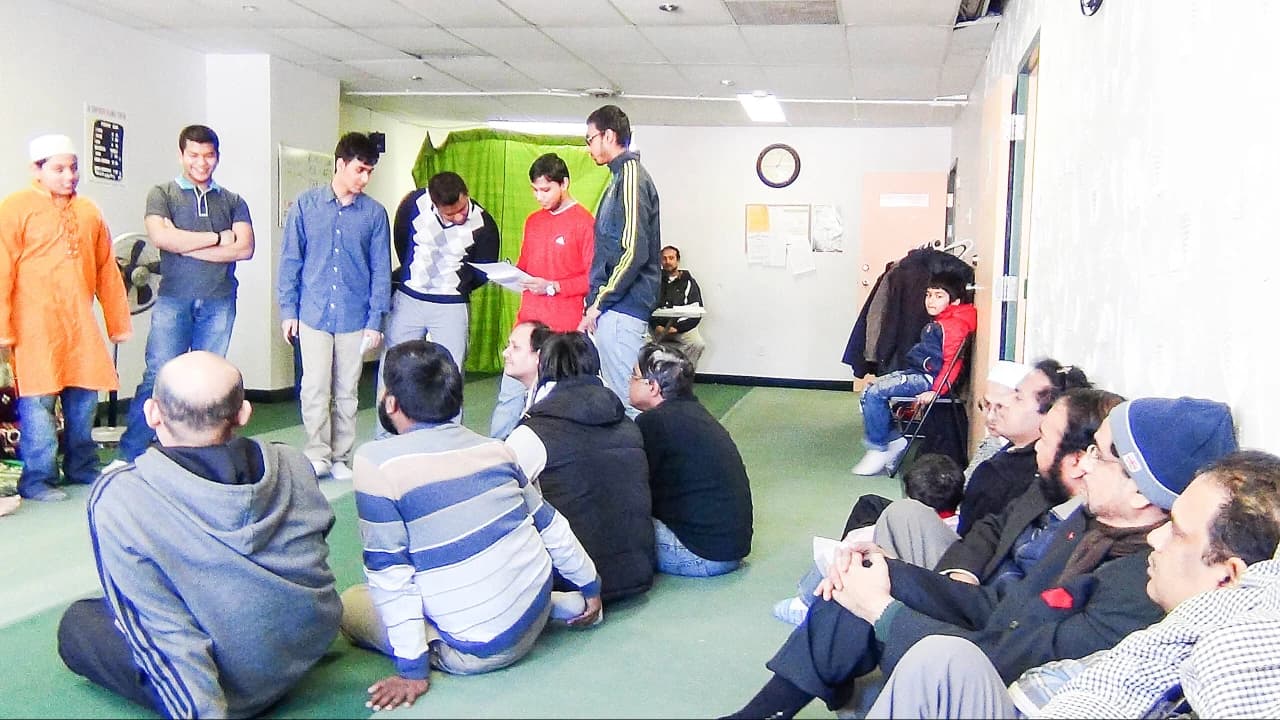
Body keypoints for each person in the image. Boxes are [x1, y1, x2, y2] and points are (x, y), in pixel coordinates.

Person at [725, 396, 1238, 720]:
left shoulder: (1143, 585)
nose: (1079, 466)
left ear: (1142, 495)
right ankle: (766, 711)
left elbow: (1012, 661)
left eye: (1098, 456)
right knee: (869, 573)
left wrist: (885, 611)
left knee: (878, 604)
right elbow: (1002, 605)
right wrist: (890, 575)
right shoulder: (1089, 524)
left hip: (997, 684)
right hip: (990, 642)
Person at [862, 449, 1280, 720]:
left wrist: (884, 612)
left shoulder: (1224, 664)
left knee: (932, 656)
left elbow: (1021, 644)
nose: (1156, 537)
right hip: (1014, 658)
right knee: (877, 553)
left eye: (1177, 531)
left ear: (1229, 576)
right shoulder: (1087, 527)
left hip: (1011, 677)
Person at [58, 351, 340, 718]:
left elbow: (167, 632)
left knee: (79, 624)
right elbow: (313, 549)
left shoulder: (120, 495)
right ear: (244, 413)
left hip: (234, 684)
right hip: (305, 644)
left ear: (152, 413)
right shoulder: (291, 461)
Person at [341, 340, 601, 712]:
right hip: (535, 611)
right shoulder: (496, 449)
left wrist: (413, 671)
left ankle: (445, 632)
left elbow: (391, 573)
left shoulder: (376, 463)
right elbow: (551, 525)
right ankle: (555, 604)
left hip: (476, 651)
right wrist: (590, 584)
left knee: (351, 603)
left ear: (391, 403)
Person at [112, 124, 254, 469]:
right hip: (173, 300)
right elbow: (163, 240)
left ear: (217, 157)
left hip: (219, 300)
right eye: (194, 155)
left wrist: (187, 244)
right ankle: (130, 454)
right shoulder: (161, 193)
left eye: (208, 155)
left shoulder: (233, 201)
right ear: (181, 155)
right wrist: (220, 239)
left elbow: (246, 248)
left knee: (210, 382)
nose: (201, 163)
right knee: (157, 375)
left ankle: (204, 456)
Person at [0, 134, 131, 502]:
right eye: (59, 169)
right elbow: (2, 269)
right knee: (38, 404)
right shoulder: (15, 207)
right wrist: (3, 328)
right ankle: (39, 479)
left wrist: (117, 322)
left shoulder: (89, 211)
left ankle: (81, 467)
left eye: (73, 168)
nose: (69, 175)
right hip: (34, 328)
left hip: (79, 326)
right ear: (36, 170)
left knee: (85, 398)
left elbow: (107, 269)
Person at [872, 360, 1091, 568]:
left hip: (965, 559)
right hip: (965, 539)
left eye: (1018, 398)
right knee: (872, 507)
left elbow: (977, 538)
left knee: (899, 514)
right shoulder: (1003, 450)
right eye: (986, 405)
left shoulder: (1010, 474)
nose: (994, 412)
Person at [506, 332, 655, 602]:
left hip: (575, 583)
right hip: (637, 573)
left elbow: (501, 500)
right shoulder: (627, 424)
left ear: (544, 368)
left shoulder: (534, 433)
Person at [277, 132, 391, 481]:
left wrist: (376, 320)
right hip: (312, 313)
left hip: (355, 317)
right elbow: (291, 259)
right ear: (340, 164)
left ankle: (342, 456)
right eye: (360, 169)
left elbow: (380, 270)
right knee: (314, 387)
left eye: (370, 171)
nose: (364, 178)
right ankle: (317, 453)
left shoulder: (374, 214)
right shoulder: (306, 205)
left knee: (347, 391)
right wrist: (287, 311)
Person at [774, 453, 964, 626]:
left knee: (841, 552)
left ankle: (806, 604)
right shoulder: (958, 526)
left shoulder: (906, 526)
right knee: (869, 504)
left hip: (898, 572)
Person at [489, 154, 594, 439]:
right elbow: (525, 269)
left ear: (565, 184)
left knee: (558, 404)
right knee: (509, 399)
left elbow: (591, 279)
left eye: (545, 189)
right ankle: (496, 457)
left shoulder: (584, 222)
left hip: (562, 332)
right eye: (534, 189)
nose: (539, 196)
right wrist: (508, 274)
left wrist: (552, 286)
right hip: (526, 326)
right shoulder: (533, 221)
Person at [630, 343, 751, 577]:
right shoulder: (696, 413)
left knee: (610, 515)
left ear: (653, 387)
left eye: (634, 377)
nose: (629, 382)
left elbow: (638, 489)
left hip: (702, 555)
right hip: (731, 548)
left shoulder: (654, 423)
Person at [577, 104, 661, 418]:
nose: (588, 148)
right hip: (616, 309)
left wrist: (600, 301)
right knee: (621, 396)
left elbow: (633, 250)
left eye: (590, 139)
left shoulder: (630, 178)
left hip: (622, 308)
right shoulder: (618, 178)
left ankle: (642, 466)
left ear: (608, 136)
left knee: (631, 402)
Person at [851, 270, 976, 476]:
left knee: (874, 394)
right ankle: (893, 440)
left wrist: (936, 391)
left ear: (954, 301)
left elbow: (951, 365)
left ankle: (878, 448)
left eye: (939, 296)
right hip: (918, 373)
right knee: (869, 390)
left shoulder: (953, 326)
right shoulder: (942, 322)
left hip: (928, 380)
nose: (931, 301)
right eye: (928, 294)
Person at [385, 171, 498, 385]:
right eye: (450, 214)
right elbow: (401, 240)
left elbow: (483, 269)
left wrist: (459, 285)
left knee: (451, 373)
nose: (459, 217)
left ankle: (450, 420)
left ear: (466, 194)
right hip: (409, 298)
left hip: (451, 304)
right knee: (394, 369)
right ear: (434, 203)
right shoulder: (413, 204)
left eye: (462, 209)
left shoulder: (484, 223)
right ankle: (388, 419)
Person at [964, 360, 1033, 477]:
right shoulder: (991, 444)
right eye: (986, 405)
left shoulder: (1034, 455)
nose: (990, 417)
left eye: (1000, 407)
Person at [489, 320, 552, 440]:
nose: (505, 353)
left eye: (516, 348)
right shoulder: (535, 394)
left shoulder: (550, 408)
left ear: (539, 356)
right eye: (508, 346)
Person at [648, 245, 706, 369]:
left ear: (677, 261)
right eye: (664, 259)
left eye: (671, 258)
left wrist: (677, 328)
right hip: (656, 328)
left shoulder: (689, 282)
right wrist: (656, 325)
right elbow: (646, 306)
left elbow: (696, 310)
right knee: (640, 344)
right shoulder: (653, 282)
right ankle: (652, 379)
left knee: (697, 344)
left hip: (680, 328)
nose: (667, 261)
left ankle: (682, 375)